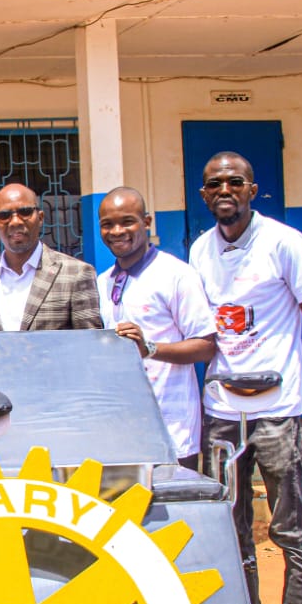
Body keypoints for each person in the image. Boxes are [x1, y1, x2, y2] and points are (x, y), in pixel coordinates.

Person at [189, 151, 302, 604]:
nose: (224, 190)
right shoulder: (200, 250)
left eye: (235, 182)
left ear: (253, 189)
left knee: (290, 534)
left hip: (279, 412)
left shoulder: (284, 243)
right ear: (204, 195)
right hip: (222, 415)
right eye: (214, 184)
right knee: (230, 533)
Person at [96, 187, 216, 467]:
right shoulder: (103, 282)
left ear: (147, 222)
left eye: (127, 222)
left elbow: (206, 346)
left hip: (171, 426)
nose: (117, 231)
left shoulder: (176, 275)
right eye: (107, 224)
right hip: (122, 429)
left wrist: (149, 348)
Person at [0, 182, 101, 331]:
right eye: (4, 215)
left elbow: (90, 341)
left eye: (25, 212)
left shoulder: (76, 273)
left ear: (40, 217)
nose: (15, 222)